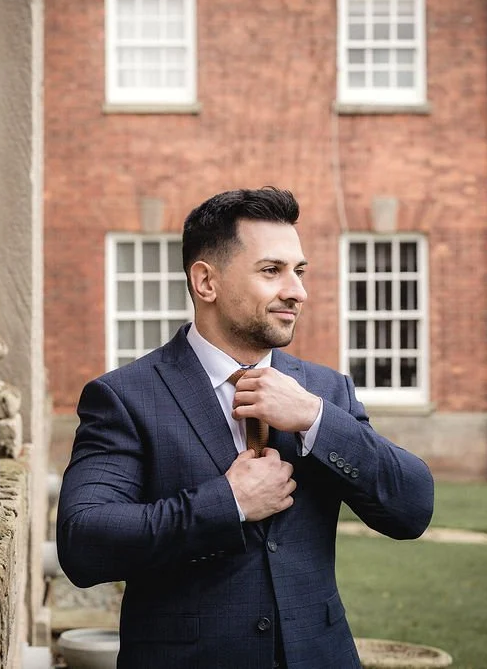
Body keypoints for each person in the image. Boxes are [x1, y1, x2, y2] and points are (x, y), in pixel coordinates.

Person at [56, 187, 434, 669]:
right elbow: (84, 542)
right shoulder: (125, 398)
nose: (297, 290)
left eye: (299, 272)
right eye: (272, 271)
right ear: (206, 282)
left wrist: (317, 420)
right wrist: (228, 503)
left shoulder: (326, 392)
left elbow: (412, 509)